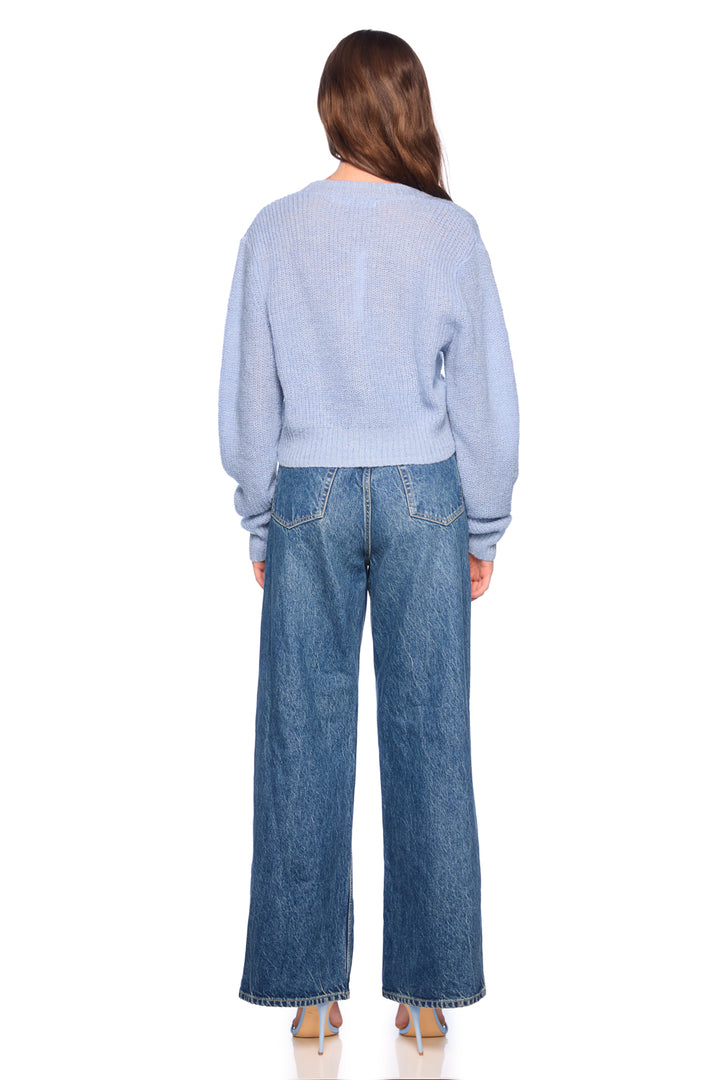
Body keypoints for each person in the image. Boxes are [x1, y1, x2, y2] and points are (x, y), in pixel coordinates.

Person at [218, 28, 520, 1057]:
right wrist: (485, 522)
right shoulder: (451, 233)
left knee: (301, 737)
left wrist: (260, 511)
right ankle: (427, 998)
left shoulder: (273, 230)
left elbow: (250, 398)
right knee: (431, 737)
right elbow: (484, 401)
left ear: (331, 109)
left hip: (306, 496)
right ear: (410, 109)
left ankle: (309, 995)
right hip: (425, 497)